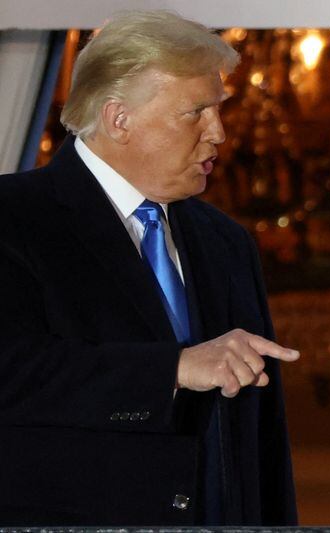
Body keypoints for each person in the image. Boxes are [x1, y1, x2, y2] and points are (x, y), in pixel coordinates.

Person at [0, 11, 300, 526]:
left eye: (219, 109)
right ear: (119, 119)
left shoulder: (225, 242)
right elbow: (13, 372)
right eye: (196, 112)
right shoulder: (13, 219)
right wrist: (175, 369)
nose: (219, 134)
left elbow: (262, 443)